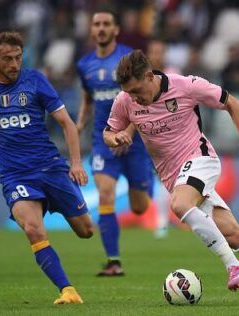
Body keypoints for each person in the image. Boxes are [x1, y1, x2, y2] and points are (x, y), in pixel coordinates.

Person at [103, 50, 239, 305]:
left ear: (150, 76)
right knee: (235, 236)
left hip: (200, 159)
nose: (135, 97)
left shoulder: (185, 86)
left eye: (138, 90)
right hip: (174, 177)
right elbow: (109, 131)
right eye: (130, 93)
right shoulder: (125, 101)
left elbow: (231, 103)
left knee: (180, 205)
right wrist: (116, 138)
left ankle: (233, 267)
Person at [0, 32, 93, 304]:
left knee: (86, 231)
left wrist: (75, 163)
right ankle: (67, 290)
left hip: (50, 168)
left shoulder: (35, 81)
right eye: (7, 59)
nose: (14, 64)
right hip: (16, 177)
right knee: (33, 229)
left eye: (18, 58)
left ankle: (55, 201)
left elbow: (67, 124)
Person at [76, 9, 154, 276]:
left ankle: (148, 178)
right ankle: (113, 261)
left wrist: (129, 133)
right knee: (106, 194)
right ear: (91, 29)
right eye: (96, 24)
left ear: (116, 29)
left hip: (135, 143)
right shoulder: (84, 64)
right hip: (103, 140)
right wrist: (79, 124)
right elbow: (88, 97)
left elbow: (142, 99)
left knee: (140, 207)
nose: (101, 28)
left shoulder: (129, 58)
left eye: (106, 24)